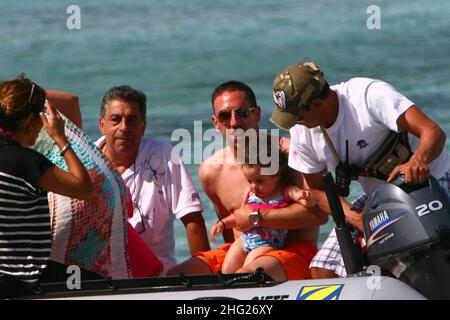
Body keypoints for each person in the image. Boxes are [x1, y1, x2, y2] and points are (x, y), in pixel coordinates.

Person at [269, 61, 450, 278]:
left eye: (296, 116)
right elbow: (317, 190)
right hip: (379, 198)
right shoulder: (302, 131)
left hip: (432, 179)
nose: (293, 125)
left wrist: (418, 160)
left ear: (316, 104)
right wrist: (357, 219)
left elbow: (433, 132)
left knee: (424, 256)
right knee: (322, 269)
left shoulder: (368, 96)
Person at [167, 81, 329, 281]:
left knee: (247, 276)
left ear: (257, 114)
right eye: (225, 116)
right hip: (245, 248)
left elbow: (320, 215)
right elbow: (229, 232)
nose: (234, 122)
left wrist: (257, 216)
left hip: (293, 252)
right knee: (176, 276)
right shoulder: (211, 171)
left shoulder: (290, 154)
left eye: (242, 113)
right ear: (216, 122)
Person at [96, 85, 210, 275]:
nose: (124, 127)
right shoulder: (85, 162)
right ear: (102, 124)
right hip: (99, 279)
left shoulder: (162, 157)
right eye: (116, 119)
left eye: (132, 120)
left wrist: (206, 278)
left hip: (156, 279)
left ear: (143, 126)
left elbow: (193, 220)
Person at [0, 76, 95, 298]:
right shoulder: (26, 162)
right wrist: (61, 138)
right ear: (30, 121)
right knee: (102, 285)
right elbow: (85, 189)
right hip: (23, 279)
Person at [210, 145, 316, 274]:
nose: (254, 186)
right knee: (227, 268)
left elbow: (306, 202)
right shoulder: (250, 193)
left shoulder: (284, 191)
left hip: (267, 243)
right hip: (244, 240)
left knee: (248, 268)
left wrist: (305, 197)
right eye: (249, 181)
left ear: (276, 174)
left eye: (259, 181)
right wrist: (223, 223)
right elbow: (239, 215)